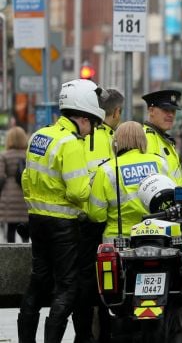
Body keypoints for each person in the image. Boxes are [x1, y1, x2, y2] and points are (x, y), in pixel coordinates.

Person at [18, 79, 105, 343]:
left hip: (36, 219)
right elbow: (78, 192)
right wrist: (94, 182)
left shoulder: (39, 135)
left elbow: (25, 178)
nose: (90, 131)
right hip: (63, 225)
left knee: (38, 282)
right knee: (67, 287)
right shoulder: (70, 143)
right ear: (83, 116)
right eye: (92, 123)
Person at [74, 88, 124, 343]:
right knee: (108, 281)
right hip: (102, 221)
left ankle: (83, 336)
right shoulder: (110, 139)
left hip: (77, 220)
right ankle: (104, 335)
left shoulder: (81, 134)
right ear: (115, 112)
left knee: (83, 284)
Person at [88, 121, 169, 241]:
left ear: (116, 142)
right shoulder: (160, 162)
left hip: (118, 238)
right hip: (155, 234)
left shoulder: (107, 169)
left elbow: (96, 215)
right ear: (143, 140)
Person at [142, 90, 182, 185]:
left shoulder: (163, 138)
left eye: (173, 111)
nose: (171, 115)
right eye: (165, 110)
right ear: (151, 110)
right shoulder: (144, 139)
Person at [0, 126, 29, 243]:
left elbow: (1, 177)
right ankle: (27, 255)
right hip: (25, 196)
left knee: (10, 231)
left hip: (9, 198)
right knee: (25, 232)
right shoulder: (28, 155)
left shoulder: (4, 155)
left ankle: (10, 257)